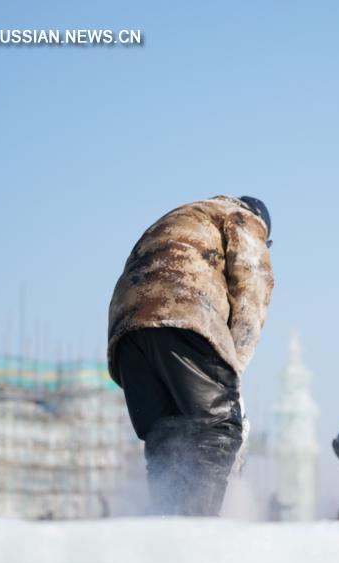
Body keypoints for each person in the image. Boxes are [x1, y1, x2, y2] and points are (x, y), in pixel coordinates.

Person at [107, 194, 274, 516]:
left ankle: (166, 520)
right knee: (218, 426)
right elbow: (253, 288)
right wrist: (231, 369)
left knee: (165, 438)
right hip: (185, 314)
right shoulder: (242, 218)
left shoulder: (184, 217)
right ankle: (198, 533)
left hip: (128, 333)